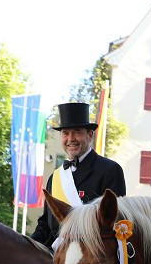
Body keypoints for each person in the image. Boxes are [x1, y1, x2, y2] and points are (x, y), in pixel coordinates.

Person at [32, 102, 126, 249]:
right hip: (54, 256)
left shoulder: (110, 170)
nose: (71, 138)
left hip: (91, 257)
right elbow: (46, 224)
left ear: (90, 135)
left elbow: (114, 220)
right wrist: (28, 244)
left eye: (77, 132)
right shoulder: (55, 177)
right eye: (66, 133)